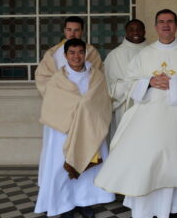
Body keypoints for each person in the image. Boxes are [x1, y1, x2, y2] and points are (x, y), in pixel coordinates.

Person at [95, 9, 177, 218]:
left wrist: (174, 83)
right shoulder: (145, 54)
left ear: (176, 26)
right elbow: (128, 83)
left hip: (175, 118)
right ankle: (143, 208)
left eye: (170, 21)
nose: (166, 25)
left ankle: (170, 208)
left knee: (171, 161)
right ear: (155, 27)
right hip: (146, 118)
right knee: (143, 160)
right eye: (161, 22)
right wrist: (149, 82)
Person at [35, 39, 114, 218]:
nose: (76, 56)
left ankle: (84, 202)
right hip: (63, 131)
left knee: (88, 166)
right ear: (65, 55)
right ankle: (64, 205)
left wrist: (86, 111)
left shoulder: (96, 76)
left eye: (80, 52)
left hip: (90, 131)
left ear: (85, 54)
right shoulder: (58, 79)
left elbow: (102, 103)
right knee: (61, 167)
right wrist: (74, 114)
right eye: (72, 52)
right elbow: (52, 107)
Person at [36, 16, 103, 95]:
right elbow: (42, 77)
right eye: (69, 30)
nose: (72, 34)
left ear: (82, 31)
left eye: (76, 30)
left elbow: (99, 76)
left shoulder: (92, 52)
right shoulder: (52, 53)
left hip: (85, 97)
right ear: (64, 31)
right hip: (61, 96)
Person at [104, 19, 147, 140]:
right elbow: (109, 83)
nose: (135, 32)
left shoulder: (152, 52)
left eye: (139, 29)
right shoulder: (115, 55)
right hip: (124, 106)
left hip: (148, 104)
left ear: (144, 31)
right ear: (126, 32)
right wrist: (134, 86)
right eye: (131, 30)